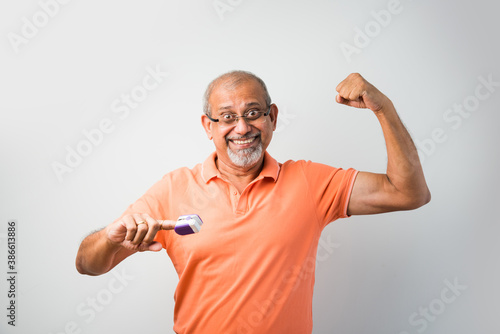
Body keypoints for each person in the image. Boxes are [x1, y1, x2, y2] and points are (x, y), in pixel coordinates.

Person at [75, 71, 431, 333]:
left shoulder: (310, 182)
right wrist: (110, 237)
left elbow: (408, 192)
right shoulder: (173, 189)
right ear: (208, 126)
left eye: (253, 113)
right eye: (227, 117)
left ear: (272, 117)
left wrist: (383, 108)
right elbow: (88, 265)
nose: (242, 128)